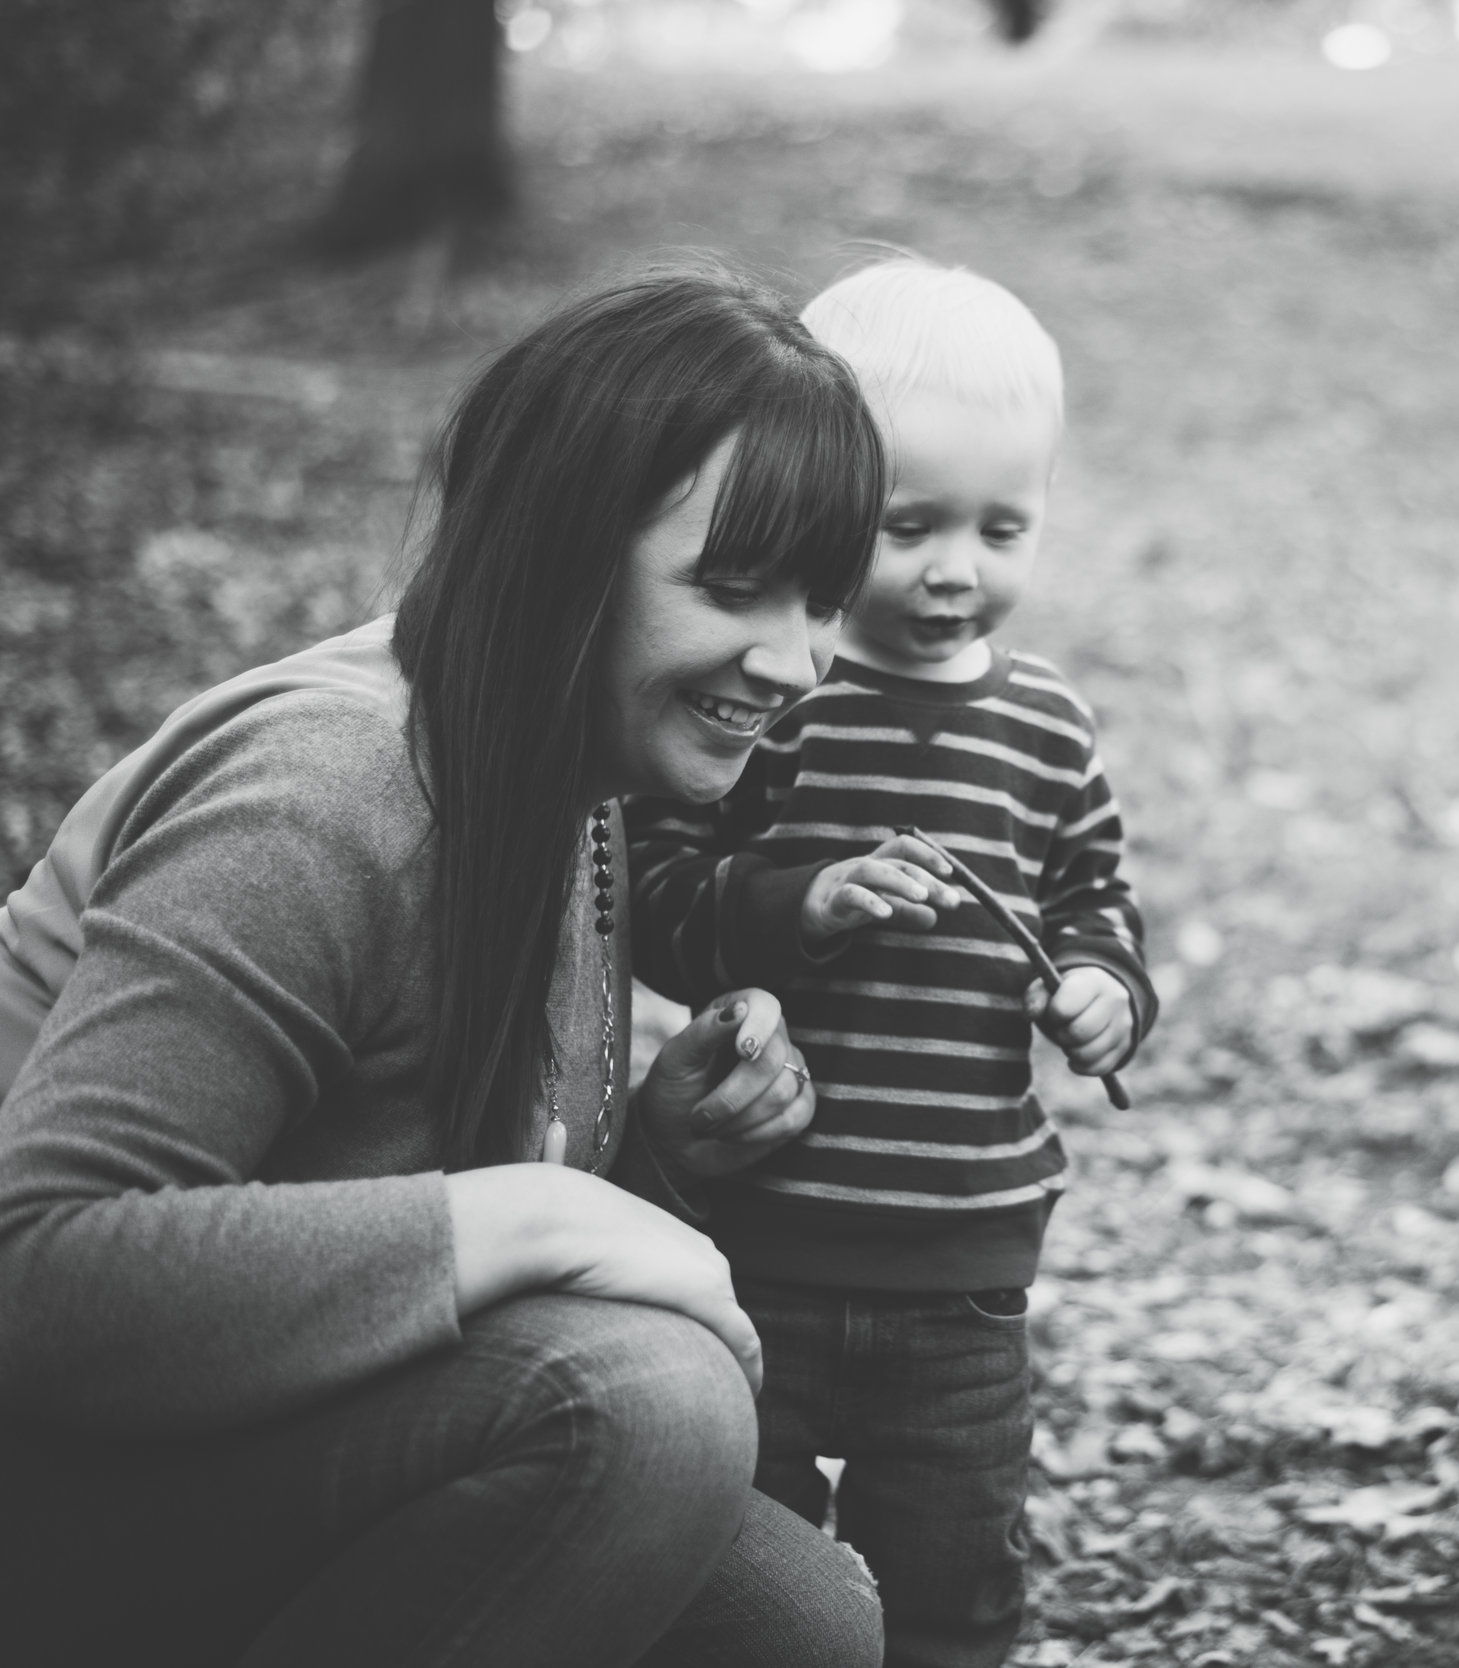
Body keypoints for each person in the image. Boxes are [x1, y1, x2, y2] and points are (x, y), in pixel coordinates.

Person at [0, 265, 892, 1667]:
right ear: (563, 549)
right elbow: (38, 1277)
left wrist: (655, 1154)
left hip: (216, 1437)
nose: (797, 662)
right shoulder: (327, 791)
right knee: (647, 1411)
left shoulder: (566, 785)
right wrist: (539, 1216)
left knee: (792, 1624)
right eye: (732, 588)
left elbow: (396, 1225)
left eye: (823, 600)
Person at [625, 256, 1156, 1668]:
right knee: (743, 1574)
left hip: (965, 1263)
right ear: (829, 514)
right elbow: (664, 904)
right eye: (909, 526)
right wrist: (804, 907)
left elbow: (1096, 897)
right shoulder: (775, 698)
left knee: (954, 1578)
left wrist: (1105, 990)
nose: (956, 570)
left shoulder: (1045, 725)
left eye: (1003, 527)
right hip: (762, 1238)